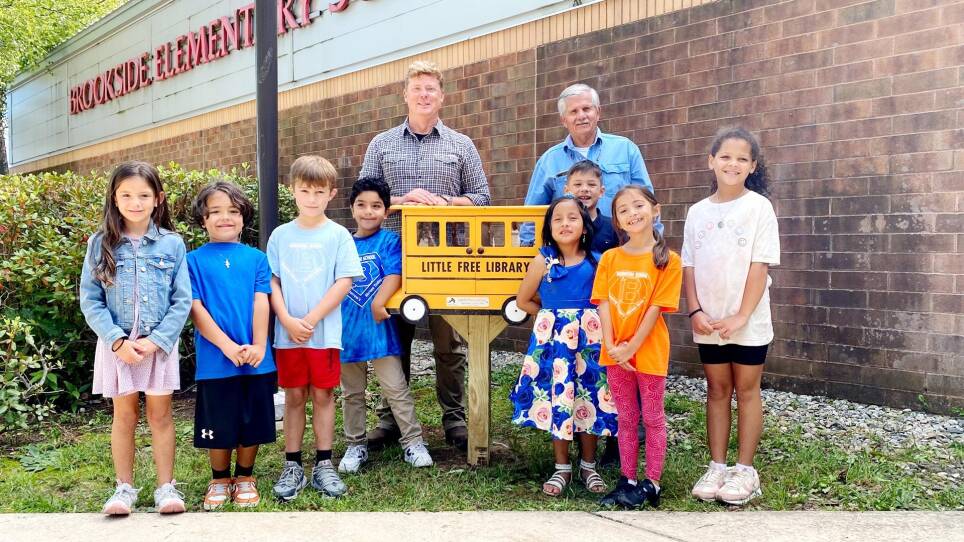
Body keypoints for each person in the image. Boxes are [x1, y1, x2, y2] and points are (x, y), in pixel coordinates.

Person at [359, 60, 490, 451]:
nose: (424, 95)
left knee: (448, 344)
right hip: (393, 259)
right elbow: (365, 197)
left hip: (446, 259)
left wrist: (447, 203)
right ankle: (391, 420)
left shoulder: (460, 145)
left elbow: (483, 198)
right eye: (417, 89)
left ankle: (455, 418)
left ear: (442, 96)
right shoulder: (381, 144)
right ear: (405, 95)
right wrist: (403, 200)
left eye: (431, 88)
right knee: (391, 342)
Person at [79, 160, 191, 515]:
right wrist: (116, 341)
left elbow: (182, 299)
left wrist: (157, 340)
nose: (135, 202)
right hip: (118, 347)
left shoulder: (172, 244)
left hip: (158, 346)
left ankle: (166, 487)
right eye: (126, 194)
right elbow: (90, 299)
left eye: (143, 195)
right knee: (123, 415)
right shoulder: (100, 244)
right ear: (114, 198)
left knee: (160, 415)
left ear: (157, 198)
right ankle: (123, 488)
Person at [684, 127, 779, 506]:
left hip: (748, 323)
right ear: (711, 161)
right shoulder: (697, 212)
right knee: (717, 390)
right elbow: (688, 266)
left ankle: (745, 470)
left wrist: (741, 316)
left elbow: (760, 265)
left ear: (752, 166)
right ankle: (718, 465)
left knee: (747, 390)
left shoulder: (759, 208)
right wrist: (695, 311)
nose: (732, 163)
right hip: (710, 322)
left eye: (742, 158)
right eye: (725, 156)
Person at [268, 155, 363, 501]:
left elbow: (344, 281)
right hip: (288, 334)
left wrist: (311, 319)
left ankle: (324, 463)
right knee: (294, 396)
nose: (311, 197)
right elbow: (272, 282)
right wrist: (288, 320)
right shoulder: (280, 236)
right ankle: (292, 464)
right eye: (304, 190)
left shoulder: (338, 236)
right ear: (292, 190)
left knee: (323, 395)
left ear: (331, 193)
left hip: (324, 334)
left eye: (318, 191)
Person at [509, 196, 617, 497]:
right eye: (558, 219)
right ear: (549, 227)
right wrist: (554, 314)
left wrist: (583, 319)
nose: (565, 223)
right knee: (561, 397)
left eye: (572, 218)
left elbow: (604, 301)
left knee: (588, 398)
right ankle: (562, 468)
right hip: (556, 346)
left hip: (589, 346)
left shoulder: (597, 261)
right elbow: (522, 300)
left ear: (584, 226)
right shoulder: (543, 260)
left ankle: (588, 465)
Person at [591, 185, 682, 509]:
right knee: (626, 418)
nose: (633, 213)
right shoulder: (610, 259)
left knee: (653, 418)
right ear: (616, 220)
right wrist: (612, 345)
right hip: (615, 352)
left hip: (649, 351)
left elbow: (657, 308)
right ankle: (627, 479)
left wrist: (631, 349)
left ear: (655, 210)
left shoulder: (668, 261)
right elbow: (602, 303)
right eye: (623, 209)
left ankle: (652, 483)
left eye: (638, 205)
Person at [187, 181, 276, 510]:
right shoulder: (192, 261)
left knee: (252, 420)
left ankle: (245, 475)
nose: (225, 217)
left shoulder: (256, 258)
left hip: (255, 359)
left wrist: (258, 345)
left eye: (233, 211)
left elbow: (261, 302)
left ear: (243, 217)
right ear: (203, 220)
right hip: (216, 360)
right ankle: (219, 478)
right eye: (216, 212)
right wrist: (226, 346)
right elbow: (195, 309)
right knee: (219, 421)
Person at [338, 177, 433, 474]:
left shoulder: (391, 241)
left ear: (386, 209)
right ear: (352, 208)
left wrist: (379, 302)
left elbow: (395, 273)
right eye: (362, 205)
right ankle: (355, 444)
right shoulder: (341, 243)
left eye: (376, 206)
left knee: (395, 387)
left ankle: (413, 441)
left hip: (379, 330)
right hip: (347, 330)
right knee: (351, 392)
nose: (368, 212)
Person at [521, 83, 661, 246]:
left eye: (587, 109)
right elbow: (531, 214)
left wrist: (655, 244)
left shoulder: (626, 149)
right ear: (564, 120)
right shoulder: (549, 161)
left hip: (622, 249)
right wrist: (527, 252)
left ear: (598, 112)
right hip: (569, 257)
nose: (581, 116)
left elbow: (647, 202)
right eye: (573, 111)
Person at [564, 160, 619, 256]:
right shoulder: (561, 226)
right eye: (578, 184)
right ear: (566, 191)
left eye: (591, 184)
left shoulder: (614, 227)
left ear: (601, 192)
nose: (584, 189)